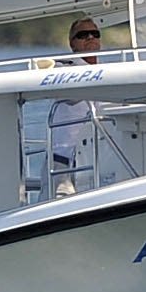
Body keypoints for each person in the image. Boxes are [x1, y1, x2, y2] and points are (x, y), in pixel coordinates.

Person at [47, 15, 104, 194]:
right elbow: (66, 94)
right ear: (72, 43)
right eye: (83, 35)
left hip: (98, 157)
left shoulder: (110, 69)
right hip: (64, 159)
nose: (90, 38)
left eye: (95, 34)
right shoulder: (63, 68)